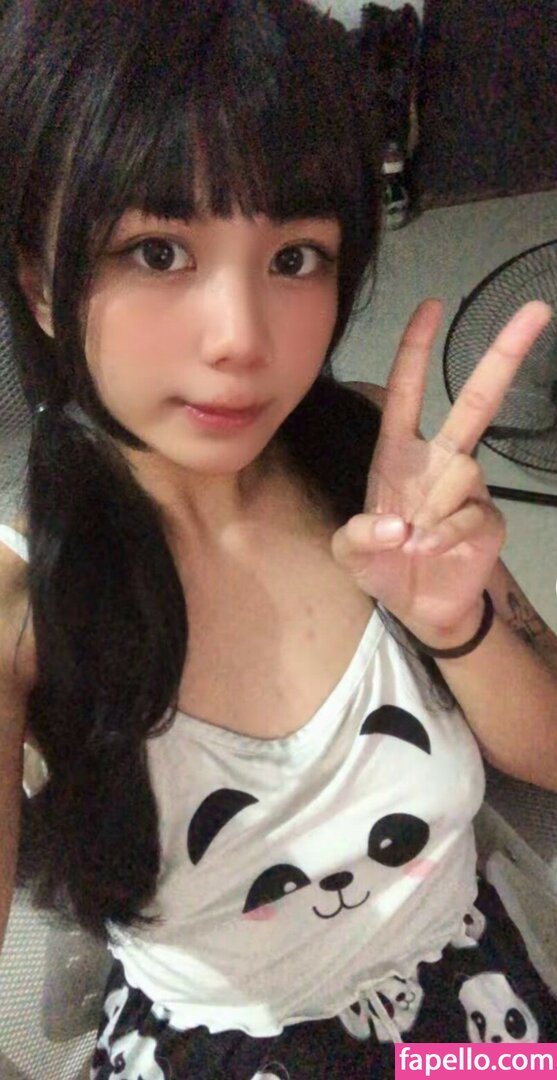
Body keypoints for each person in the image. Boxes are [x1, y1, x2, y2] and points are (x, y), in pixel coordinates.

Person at [0, 1, 556, 1077]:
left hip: (472, 1025)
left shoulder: (372, 463)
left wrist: (456, 624)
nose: (242, 340)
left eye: (294, 256)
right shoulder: (26, 602)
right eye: (158, 250)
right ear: (39, 285)